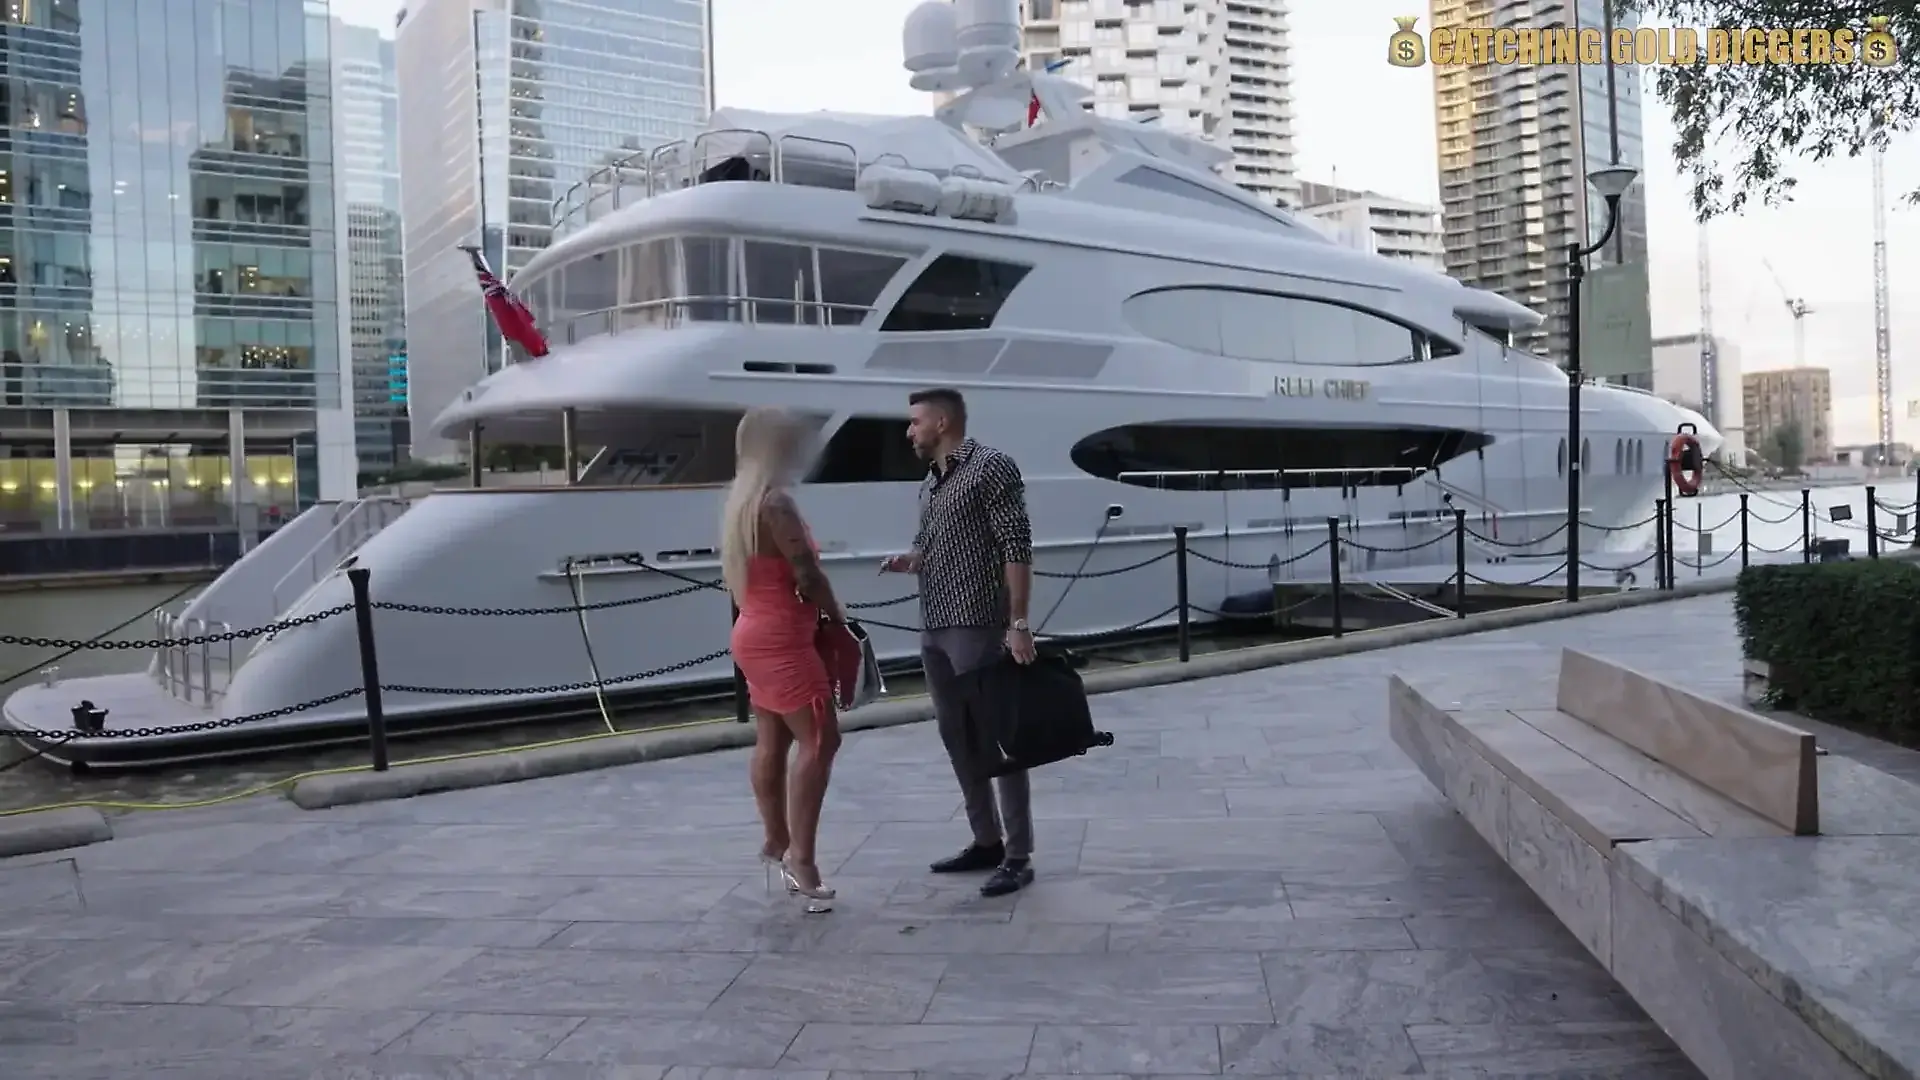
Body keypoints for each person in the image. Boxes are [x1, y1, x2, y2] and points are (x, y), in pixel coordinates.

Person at [881, 387, 1038, 897]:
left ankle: (1018, 855)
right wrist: (910, 560)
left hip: (978, 624)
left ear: (942, 423)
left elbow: (1016, 545)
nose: (909, 431)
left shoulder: (991, 467)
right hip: (934, 626)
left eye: (915, 422)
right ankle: (986, 840)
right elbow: (928, 546)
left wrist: (1018, 622)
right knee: (958, 737)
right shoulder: (930, 481)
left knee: (1000, 740)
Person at [720, 407, 846, 912]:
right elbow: (807, 574)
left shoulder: (742, 502)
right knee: (820, 739)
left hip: (753, 631)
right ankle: (803, 861)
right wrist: (837, 617)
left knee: (772, 737)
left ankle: (776, 838)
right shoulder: (776, 504)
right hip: (783, 640)